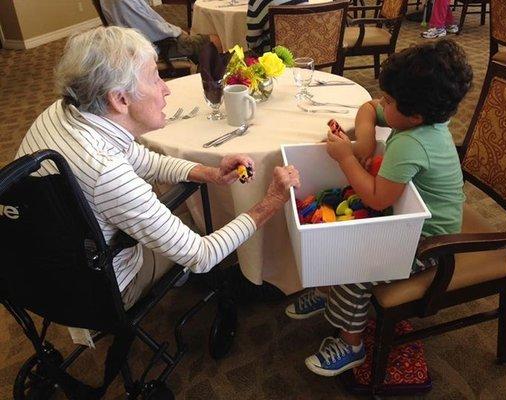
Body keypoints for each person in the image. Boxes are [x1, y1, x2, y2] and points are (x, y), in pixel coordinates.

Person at [15, 26, 300, 310]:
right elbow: (202, 255)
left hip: (31, 269)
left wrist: (208, 172)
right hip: (99, 291)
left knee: (177, 208)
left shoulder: (63, 111)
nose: (165, 88)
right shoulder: (106, 171)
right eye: (154, 77)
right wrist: (272, 200)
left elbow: (139, 157)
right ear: (120, 99)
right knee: (197, 220)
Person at [285, 39, 473, 376]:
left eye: (390, 100)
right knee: (337, 231)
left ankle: (352, 344)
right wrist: (367, 137)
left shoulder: (413, 141)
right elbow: (369, 107)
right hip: (403, 219)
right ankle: (329, 292)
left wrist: (346, 157)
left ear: (414, 115)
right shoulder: (420, 117)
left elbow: (376, 197)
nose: (383, 102)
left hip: (428, 243)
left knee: (352, 262)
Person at [99, 0, 222, 62]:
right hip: (155, 46)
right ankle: (214, 83)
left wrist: (174, 29)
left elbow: (151, 20)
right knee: (215, 40)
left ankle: (203, 72)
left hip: (142, 40)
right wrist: (178, 31)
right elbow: (152, 29)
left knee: (197, 41)